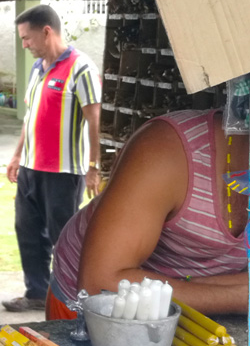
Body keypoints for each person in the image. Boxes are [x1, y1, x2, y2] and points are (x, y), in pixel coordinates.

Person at [48, 109, 247, 319]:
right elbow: (101, 285)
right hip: (92, 307)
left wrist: (215, 289)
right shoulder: (167, 150)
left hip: (188, 304)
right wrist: (236, 296)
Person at [4, 4, 102, 312]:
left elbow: (95, 121)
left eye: (27, 38)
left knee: (64, 237)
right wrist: (18, 154)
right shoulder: (37, 69)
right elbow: (30, 117)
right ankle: (37, 292)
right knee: (27, 231)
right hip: (31, 169)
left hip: (63, 172)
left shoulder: (81, 67)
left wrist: (93, 167)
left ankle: (71, 297)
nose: (24, 45)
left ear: (47, 31)